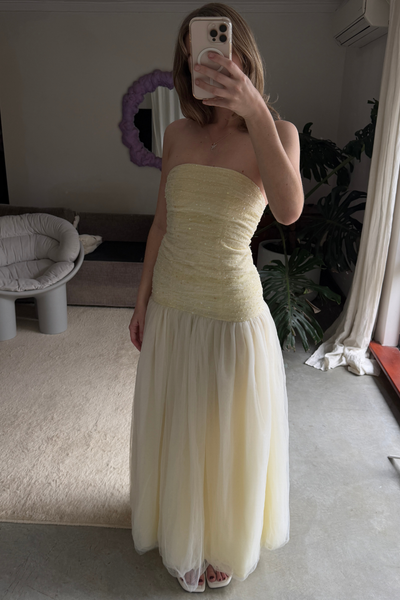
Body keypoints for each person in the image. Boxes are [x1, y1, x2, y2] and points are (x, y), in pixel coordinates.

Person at [128, 2, 304, 593]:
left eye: (214, 51)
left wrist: (253, 110)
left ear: (240, 54)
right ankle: (182, 530)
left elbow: (288, 210)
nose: (202, 64)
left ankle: (221, 538)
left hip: (231, 309)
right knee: (178, 424)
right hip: (172, 304)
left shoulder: (278, 133)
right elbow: (161, 223)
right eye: (193, 57)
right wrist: (141, 300)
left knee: (221, 431)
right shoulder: (176, 133)